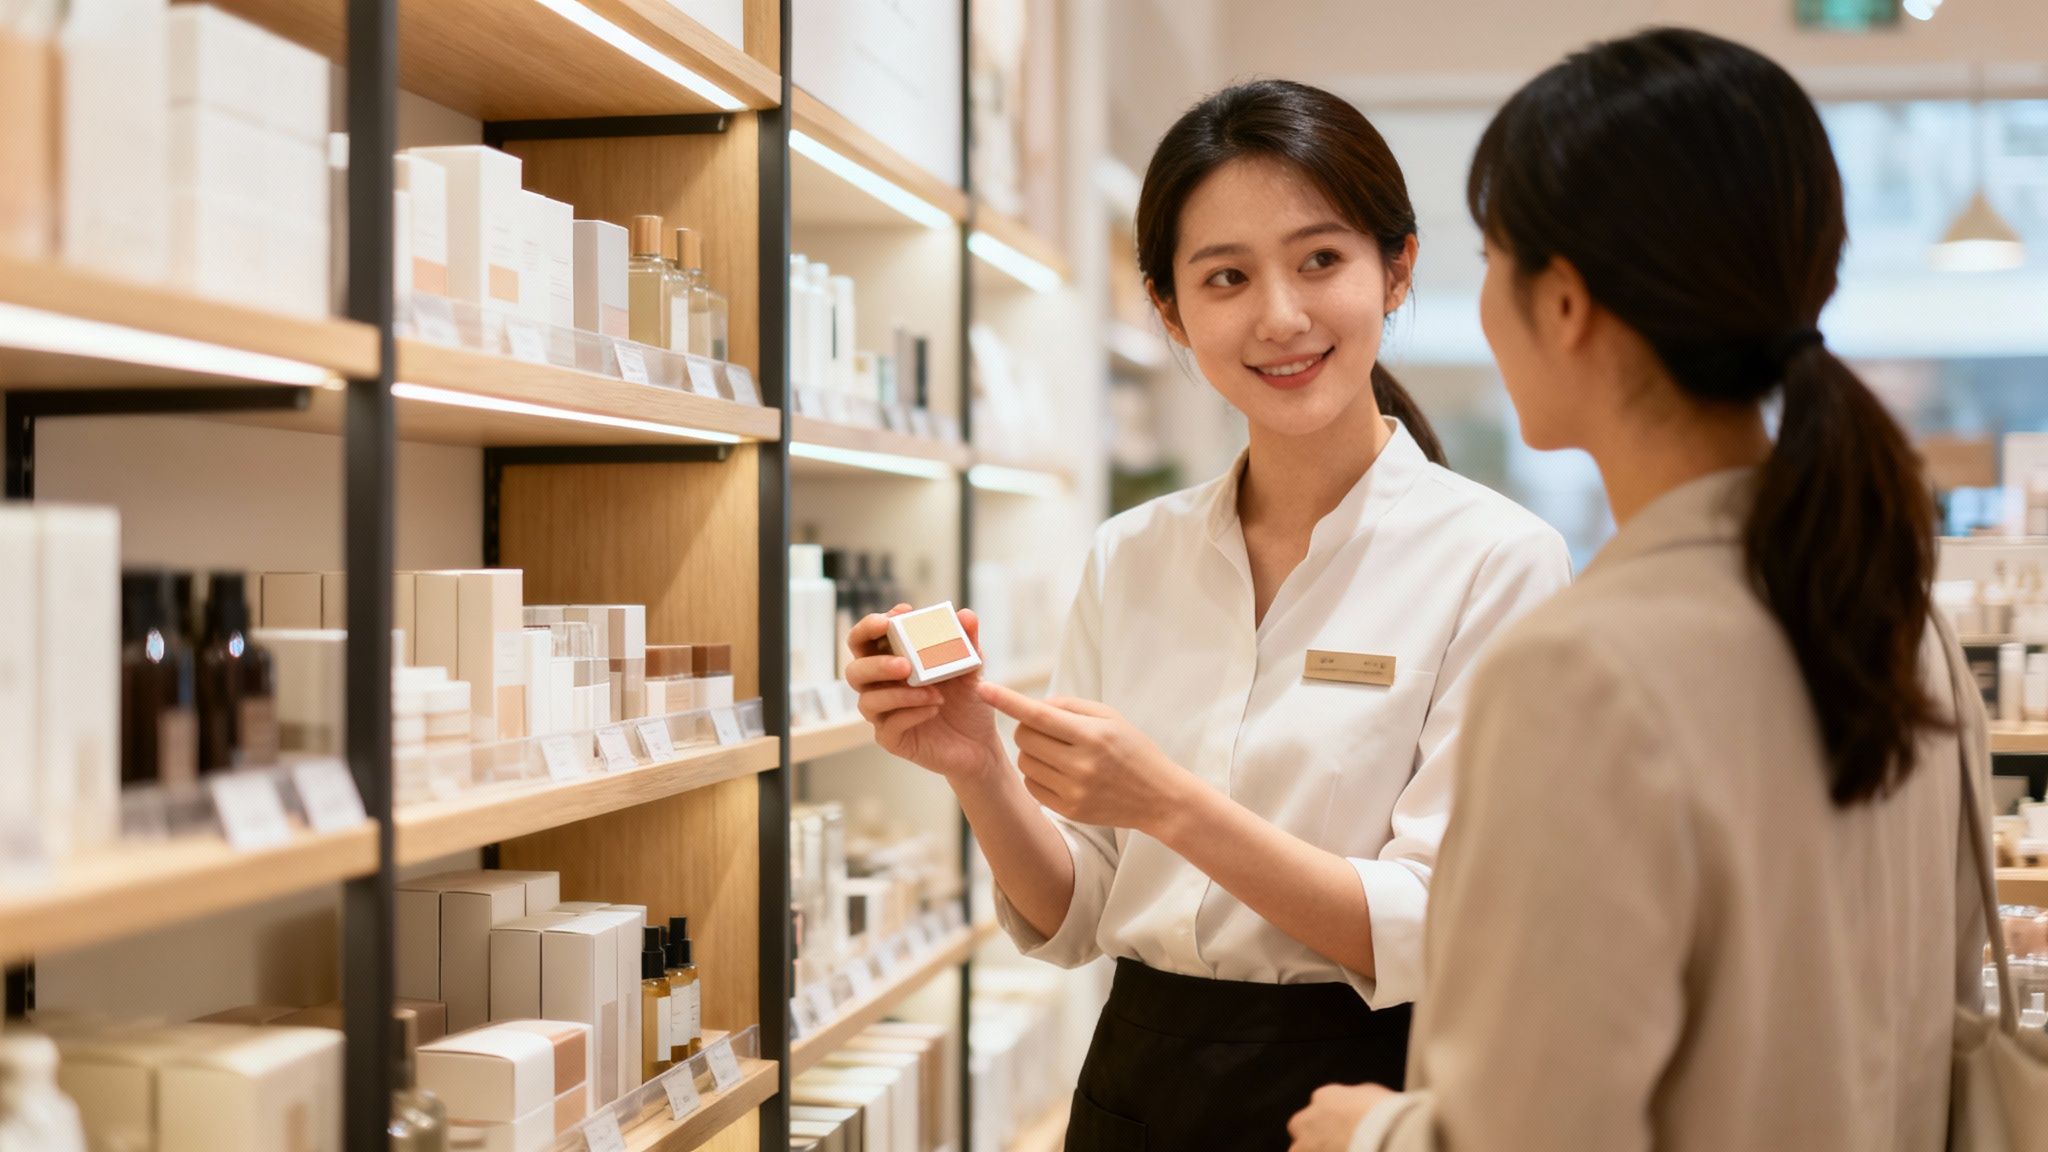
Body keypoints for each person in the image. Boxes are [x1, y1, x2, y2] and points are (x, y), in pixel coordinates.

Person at [1286, 28, 1987, 1152]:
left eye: (1491, 254)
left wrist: (1373, 1134)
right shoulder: (1893, 617)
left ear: (1561, 304)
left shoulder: (1581, 671)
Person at [845, 79, 1569, 1150]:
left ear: (1396, 268)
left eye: (1319, 261)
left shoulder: (1496, 562)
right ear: (1171, 311)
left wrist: (1171, 806)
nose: (1278, 317)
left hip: (1360, 1095)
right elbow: (1076, 913)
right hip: (1135, 1083)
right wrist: (978, 768)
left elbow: (1441, 923)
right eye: (1225, 278)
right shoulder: (1130, 556)